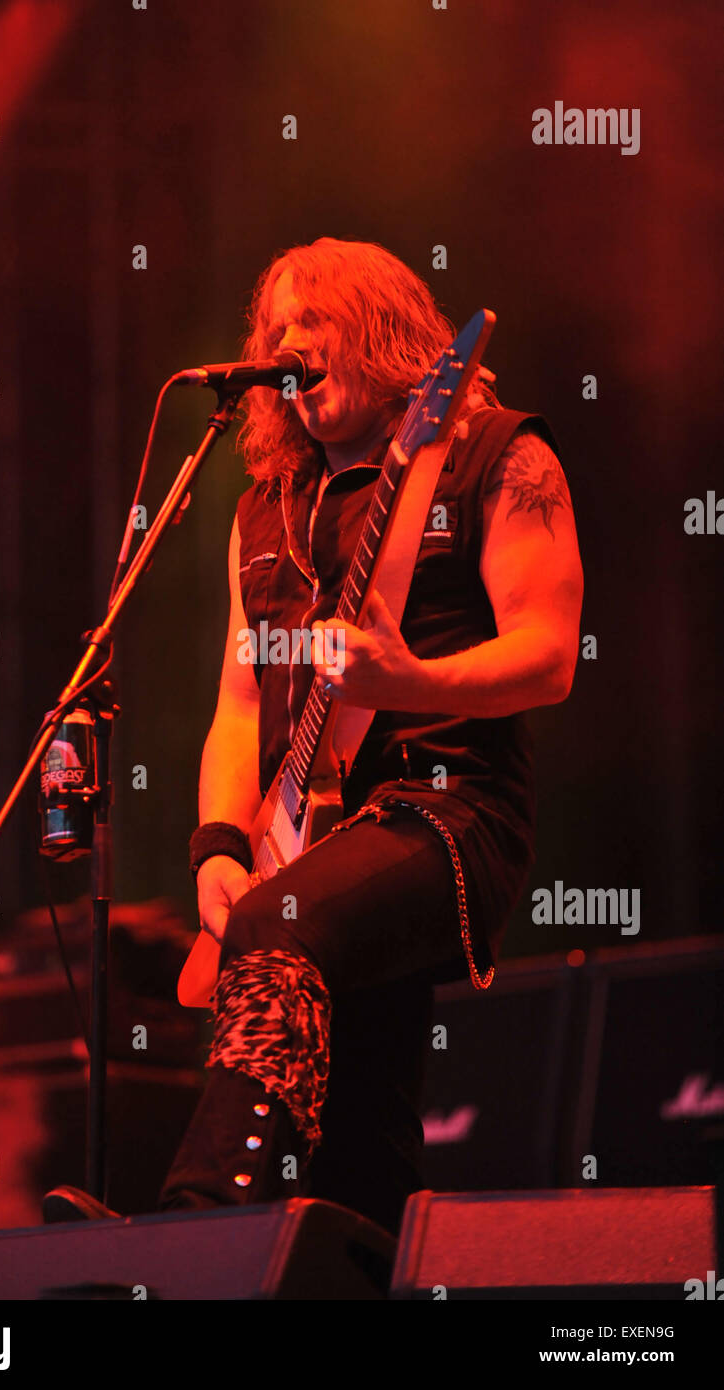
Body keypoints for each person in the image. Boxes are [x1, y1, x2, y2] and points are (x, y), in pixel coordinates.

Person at [158, 237, 583, 1235]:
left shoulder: (493, 454)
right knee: (362, 1126)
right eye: (275, 331)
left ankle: (204, 1219)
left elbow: (550, 655)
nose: (290, 346)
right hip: (310, 835)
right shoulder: (263, 511)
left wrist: (411, 679)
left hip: (448, 811)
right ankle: (345, 1251)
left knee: (280, 925)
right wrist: (221, 846)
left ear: (386, 332)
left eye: (316, 322)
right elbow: (238, 704)